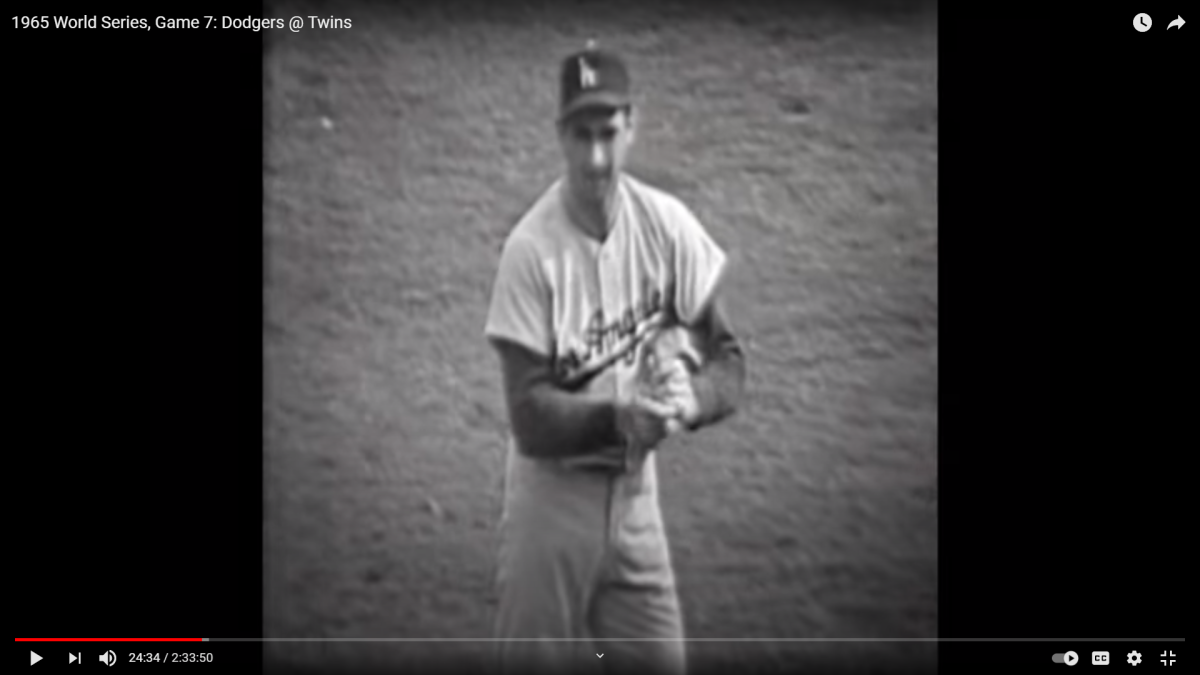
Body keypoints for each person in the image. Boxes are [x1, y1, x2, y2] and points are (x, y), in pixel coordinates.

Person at [483, 41, 746, 675]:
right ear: (560, 135)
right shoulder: (529, 251)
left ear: (633, 127)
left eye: (609, 133)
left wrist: (695, 400)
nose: (596, 157)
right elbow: (528, 414)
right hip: (550, 508)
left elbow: (729, 359)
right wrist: (621, 415)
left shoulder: (667, 225)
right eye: (581, 136)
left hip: (636, 505)